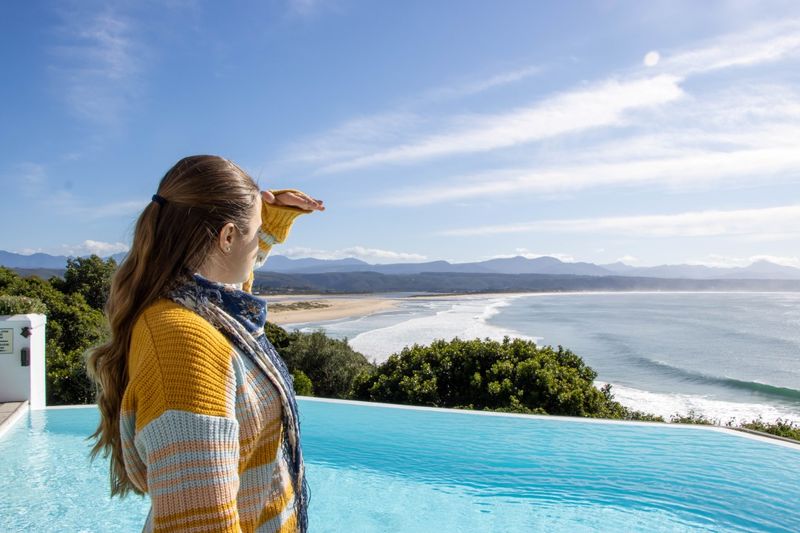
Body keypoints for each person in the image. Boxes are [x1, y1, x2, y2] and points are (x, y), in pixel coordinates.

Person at [86, 155, 324, 533]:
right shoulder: (183, 341)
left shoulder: (195, 306)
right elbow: (199, 524)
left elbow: (237, 279)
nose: (256, 252)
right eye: (254, 233)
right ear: (227, 237)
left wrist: (268, 219)